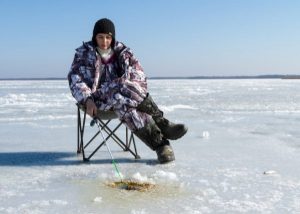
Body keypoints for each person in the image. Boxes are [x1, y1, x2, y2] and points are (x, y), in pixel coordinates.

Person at [67, 18, 187, 164]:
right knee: (121, 84)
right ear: (94, 37)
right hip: (96, 102)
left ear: (113, 38)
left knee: (125, 106)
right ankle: (162, 123)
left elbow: (139, 77)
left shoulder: (124, 53)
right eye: (100, 37)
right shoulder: (83, 54)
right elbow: (75, 79)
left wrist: (127, 87)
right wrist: (88, 99)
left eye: (108, 37)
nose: (104, 41)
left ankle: (162, 147)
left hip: (124, 100)